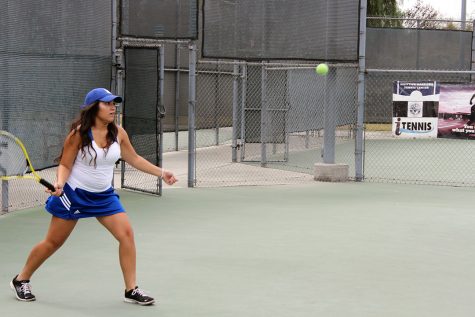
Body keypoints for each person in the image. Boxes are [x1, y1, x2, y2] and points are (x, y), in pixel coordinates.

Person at [10, 88, 177, 305]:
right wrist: (59, 182)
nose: (112, 107)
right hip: (75, 195)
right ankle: (21, 279)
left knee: (126, 235)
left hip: (104, 196)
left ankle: (131, 289)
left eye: (114, 103)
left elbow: (134, 159)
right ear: (93, 107)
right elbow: (65, 164)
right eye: (107, 103)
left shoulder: (119, 133)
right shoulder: (78, 134)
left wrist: (161, 173)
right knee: (53, 242)